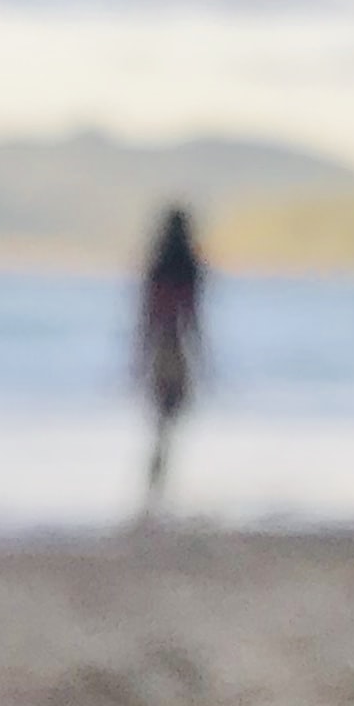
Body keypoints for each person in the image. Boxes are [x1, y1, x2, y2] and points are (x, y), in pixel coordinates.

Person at [133, 205, 205, 524]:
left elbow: (148, 317)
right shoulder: (189, 268)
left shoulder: (158, 267)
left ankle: (155, 492)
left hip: (162, 348)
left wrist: (138, 359)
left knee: (162, 425)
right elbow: (193, 319)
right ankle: (157, 491)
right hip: (178, 349)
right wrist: (202, 358)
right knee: (168, 424)